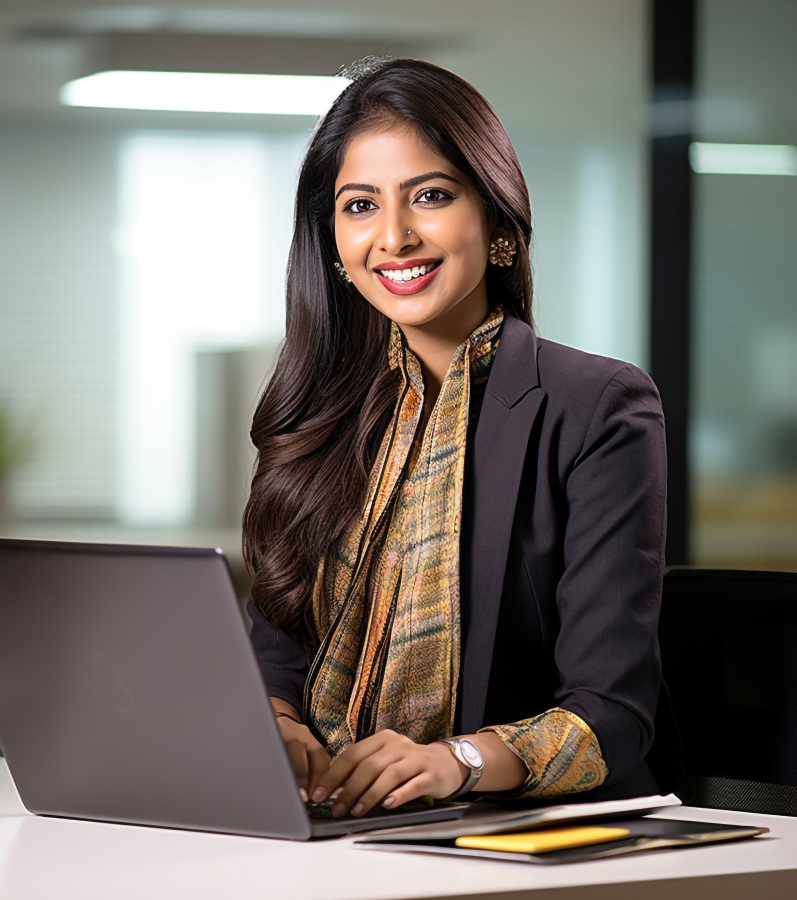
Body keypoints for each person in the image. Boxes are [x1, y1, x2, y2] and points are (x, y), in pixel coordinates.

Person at [242, 57, 672, 820]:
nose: (394, 236)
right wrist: (279, 731)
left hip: (512, 834)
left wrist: (457, 762)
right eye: (360, 205)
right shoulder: (320, 416)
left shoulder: (600, 409)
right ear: (334, 245)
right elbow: (277, 659)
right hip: (330, 823)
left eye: (431, 196)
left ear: (496, 222)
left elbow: (611, 716)